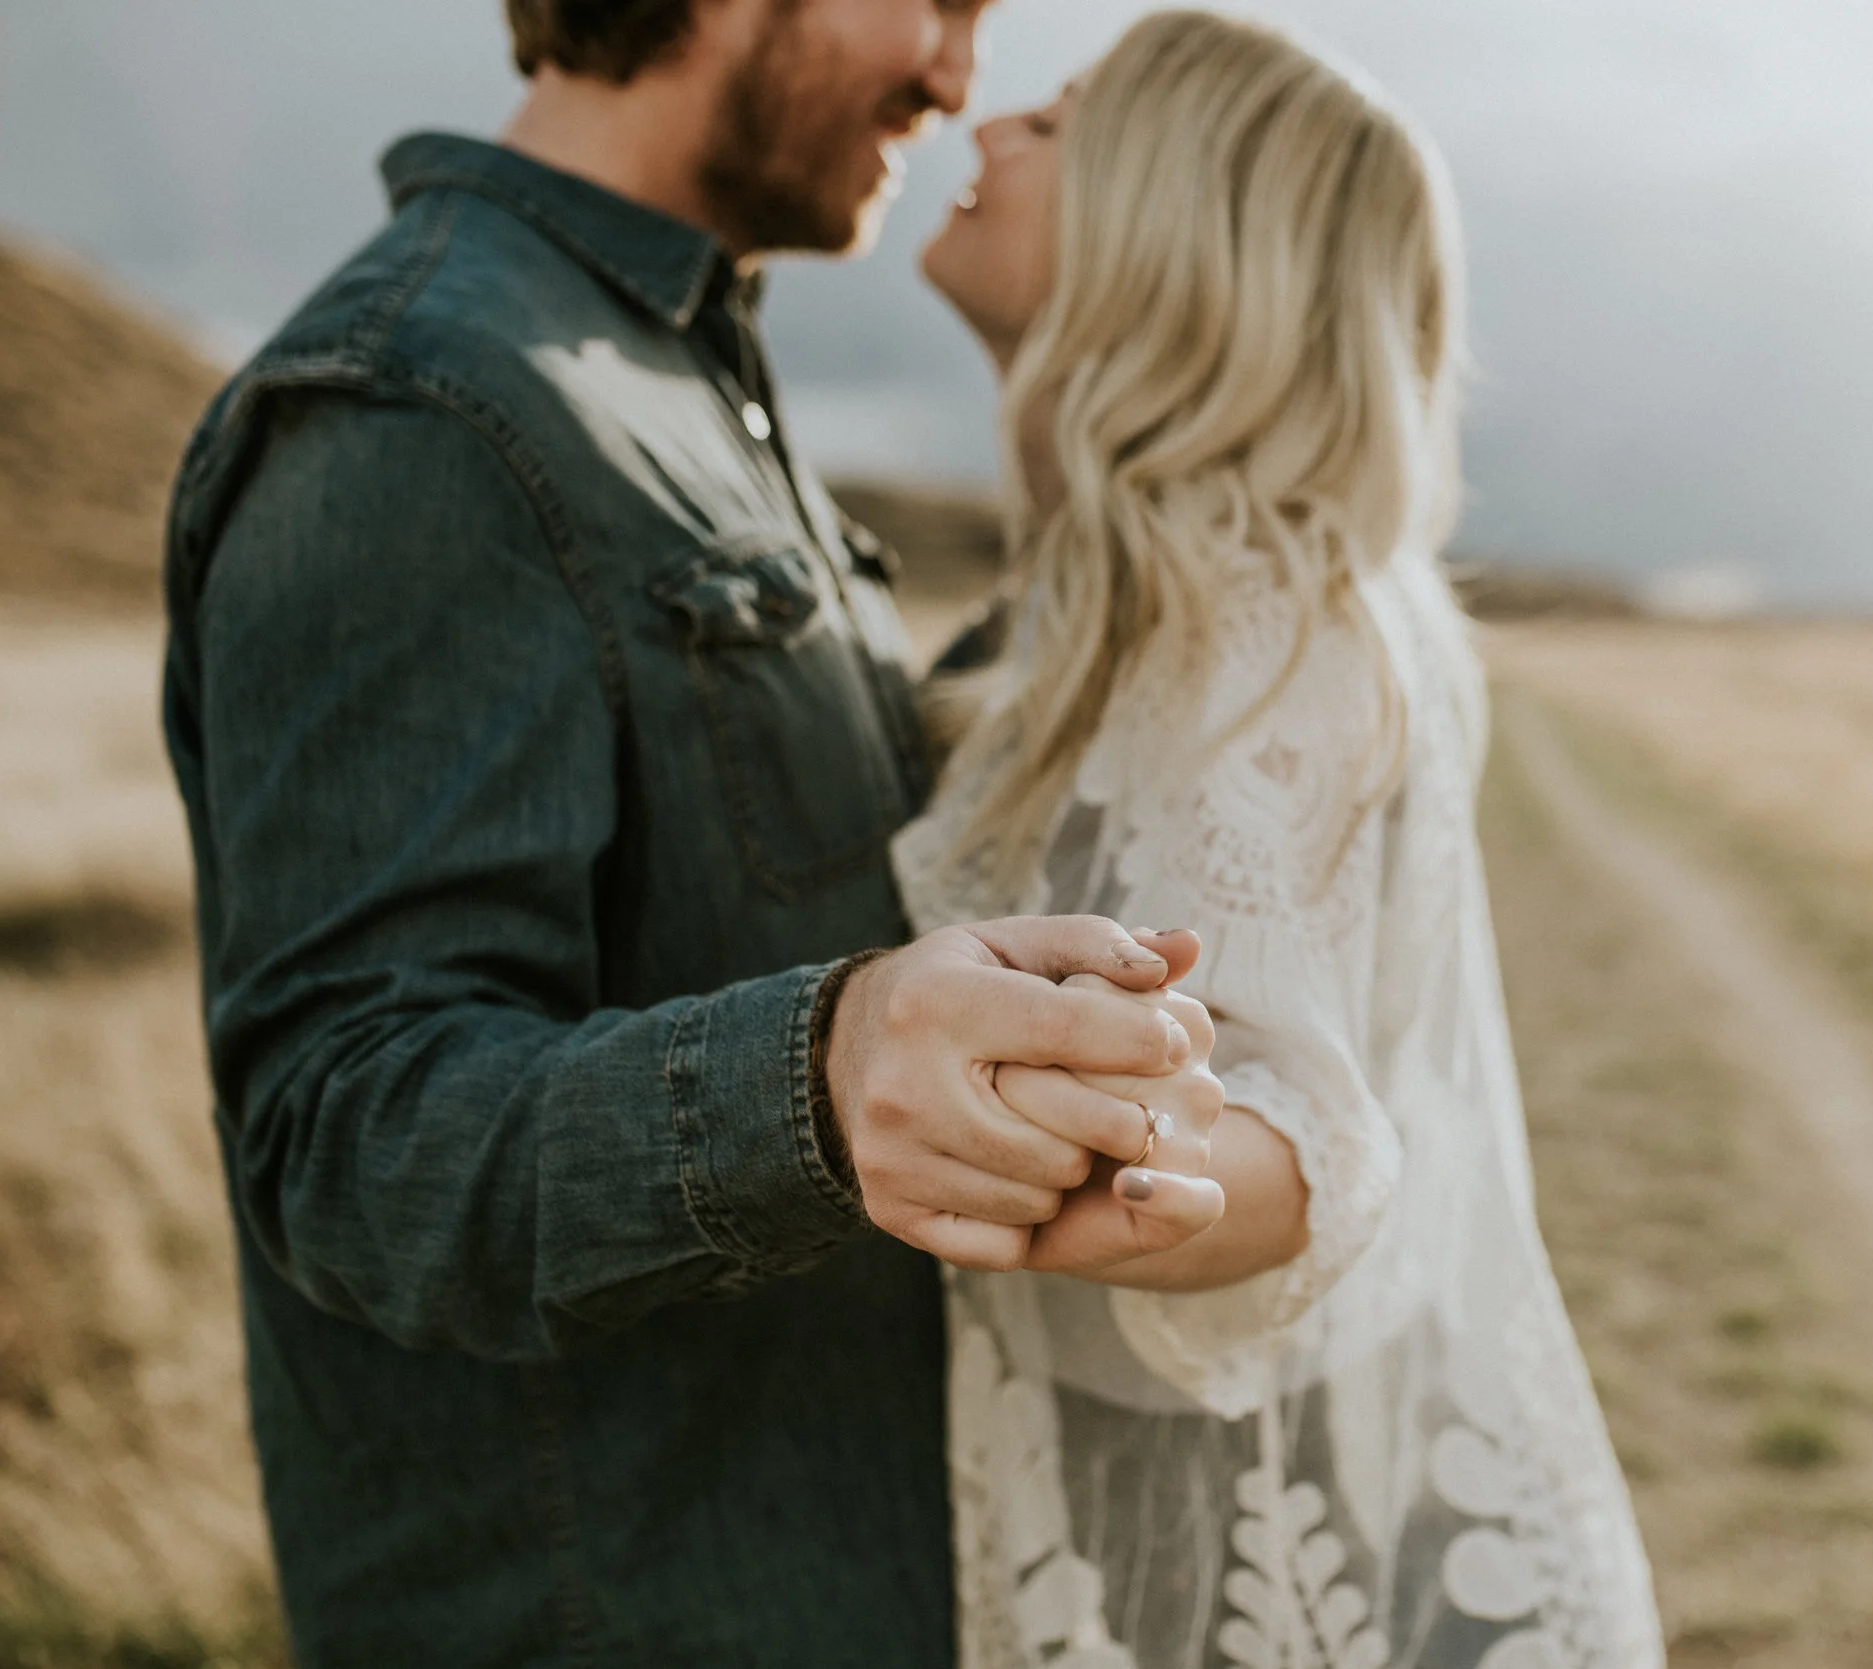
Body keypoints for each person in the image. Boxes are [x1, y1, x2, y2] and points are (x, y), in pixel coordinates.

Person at [157, 1, 1227, 1662]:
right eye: (935, 1)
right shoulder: (418, 405)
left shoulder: (672, 372)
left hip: (836, 1556)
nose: (958, 77)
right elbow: (344, 1136)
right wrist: (816, 1072)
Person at [896, 13, 1666, 1666]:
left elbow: (1303, 1123)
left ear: (1180, 228)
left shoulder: (1253, 610)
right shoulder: (1150, 597)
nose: (996, 113)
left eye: (1073, 115)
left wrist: (1155, 1167)